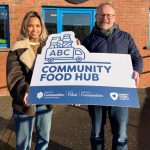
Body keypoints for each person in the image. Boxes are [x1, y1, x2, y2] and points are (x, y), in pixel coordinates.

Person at [82, 2, 143, 150]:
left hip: (121, 93)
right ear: (96, 17)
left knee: (121, 135)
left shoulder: (126, 37)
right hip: (95, 94)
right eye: (102, 15)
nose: (105, 18)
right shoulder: (87, 41)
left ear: (114, 18)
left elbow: (137, 57)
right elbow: (80, 67)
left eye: (109, 15)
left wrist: (136, 70)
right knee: (96, 134)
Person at [6, 11, 53, 150]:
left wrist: (73, 44)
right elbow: (14, 75)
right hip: (24, 100)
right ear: (25, 27)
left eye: (38, 26)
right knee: (23, 143)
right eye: (31, 26)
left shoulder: (50, 47)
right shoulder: (17, 48)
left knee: (44, 140)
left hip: (45, 100)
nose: (35, 29)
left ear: (42, 27)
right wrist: (24, 91)